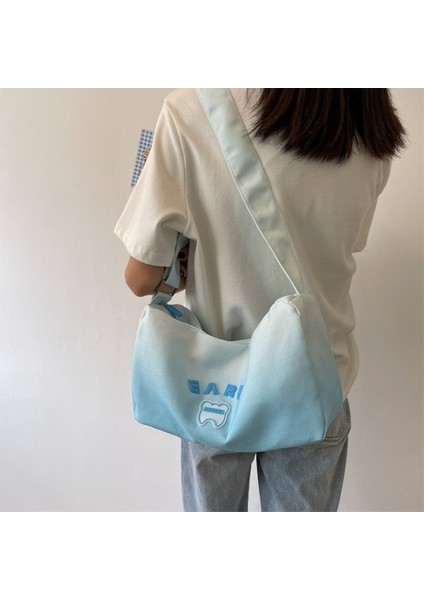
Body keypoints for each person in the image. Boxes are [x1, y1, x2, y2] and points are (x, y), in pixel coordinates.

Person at [114, 89, 406, 512]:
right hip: (315, 384)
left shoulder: (192, 109)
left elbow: (141, 279)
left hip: (215, 389)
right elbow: (339, 247)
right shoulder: (368, 129)